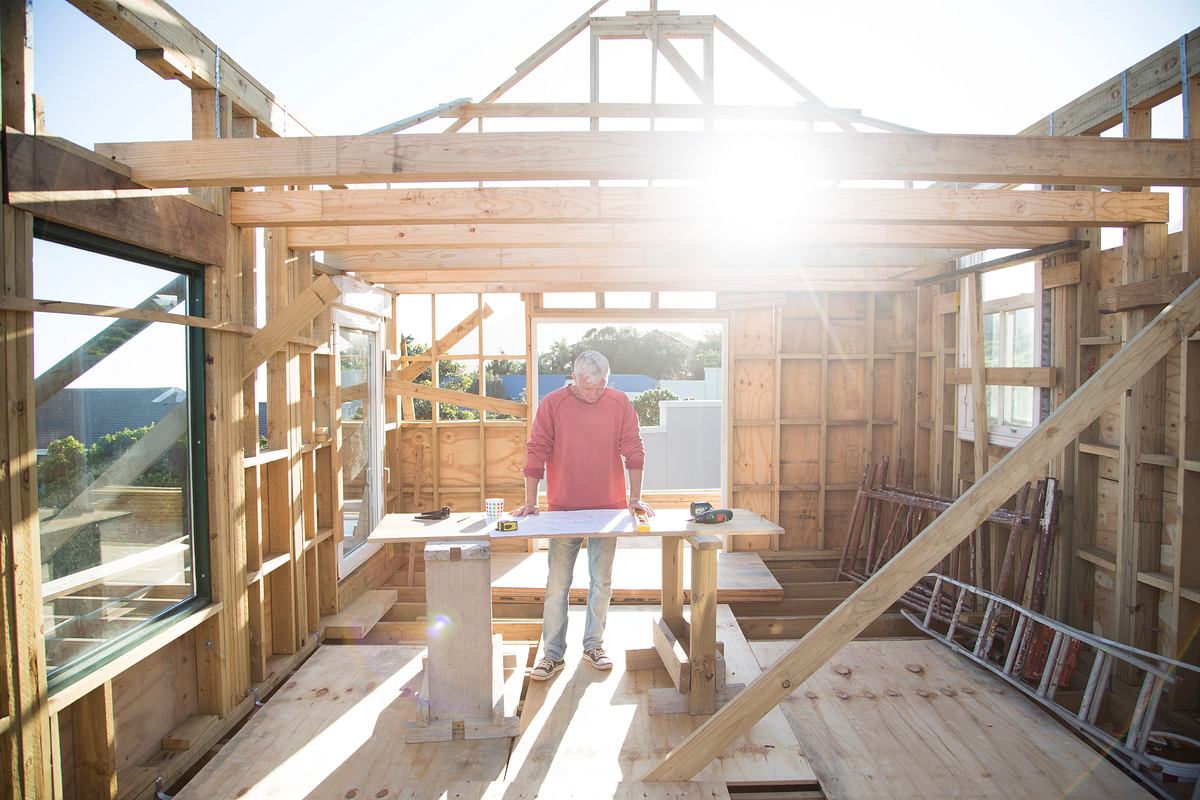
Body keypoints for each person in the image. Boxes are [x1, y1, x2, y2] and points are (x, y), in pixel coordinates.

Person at [512, 350, 654, 680]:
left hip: (608, 507)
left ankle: (594, 644)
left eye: (602, 386)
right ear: (575, 378)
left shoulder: (619, 402)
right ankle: (552, 653)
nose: (596, 394)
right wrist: (531, 501)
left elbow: (634, 448)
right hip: (563, 507)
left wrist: (635, 498)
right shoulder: (553, 403)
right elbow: (537, 449)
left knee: (601, 582)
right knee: (557, 584)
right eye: (590, 388)